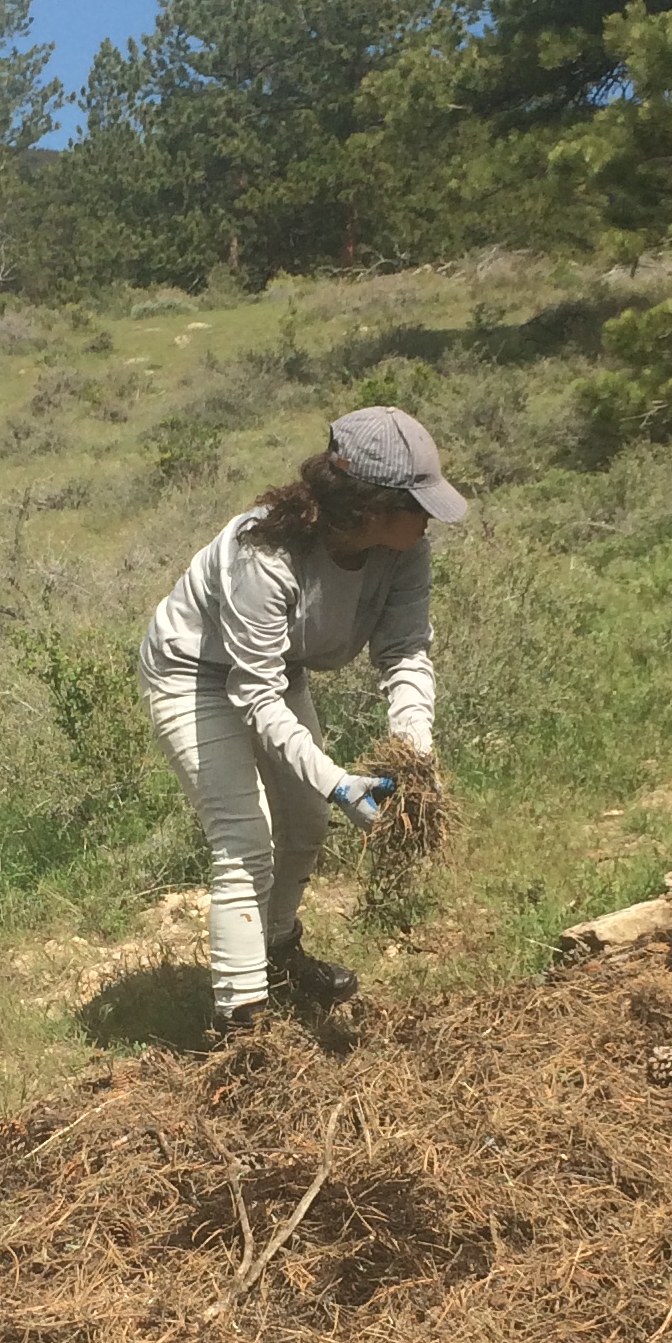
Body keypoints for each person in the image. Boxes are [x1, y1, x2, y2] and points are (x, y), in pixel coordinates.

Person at [139, 405, 467, 1039]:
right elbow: (255, 696)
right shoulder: (261, 554)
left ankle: (280, 954)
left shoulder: (404, 553)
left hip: (272, 670)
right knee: (244, 836)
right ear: (368, 507)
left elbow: (404, 653)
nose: (428, 520)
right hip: (194, 672)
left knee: (307, 822)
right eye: (417, 505)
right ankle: (242, 1025)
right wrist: (337, 779)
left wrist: (414, 751)